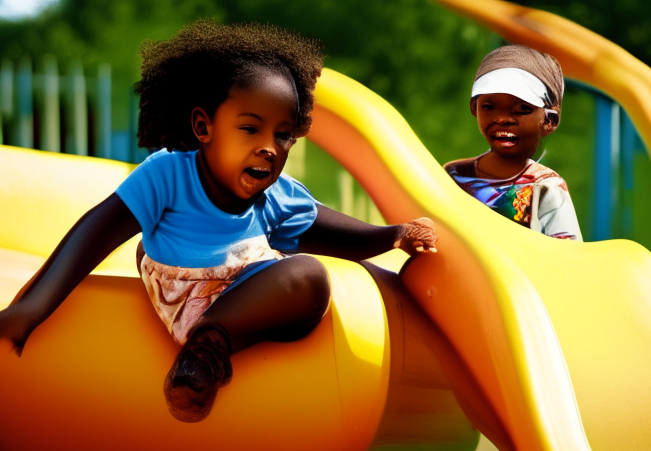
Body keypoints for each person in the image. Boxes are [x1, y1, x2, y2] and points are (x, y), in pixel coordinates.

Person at [0, 20, 436, 423]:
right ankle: (205, 349)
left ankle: (207, 353)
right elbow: (97, 230)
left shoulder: (275, 193)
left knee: (310, 276)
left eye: (282, 135)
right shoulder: (168, 172)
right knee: (288, 264)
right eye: (250, 129)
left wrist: (393, 236)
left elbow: (325, 229)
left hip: (243, 297)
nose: (270, 148)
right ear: (203, 126)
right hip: (180, 290)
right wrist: (30, 310)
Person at [444, 44, 582, 241]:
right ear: (475, 109)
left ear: (549, 120)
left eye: (522, 108)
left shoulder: (546, 188)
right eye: (489, 106)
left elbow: (570, 256)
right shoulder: (455, 175)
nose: (502, 119)